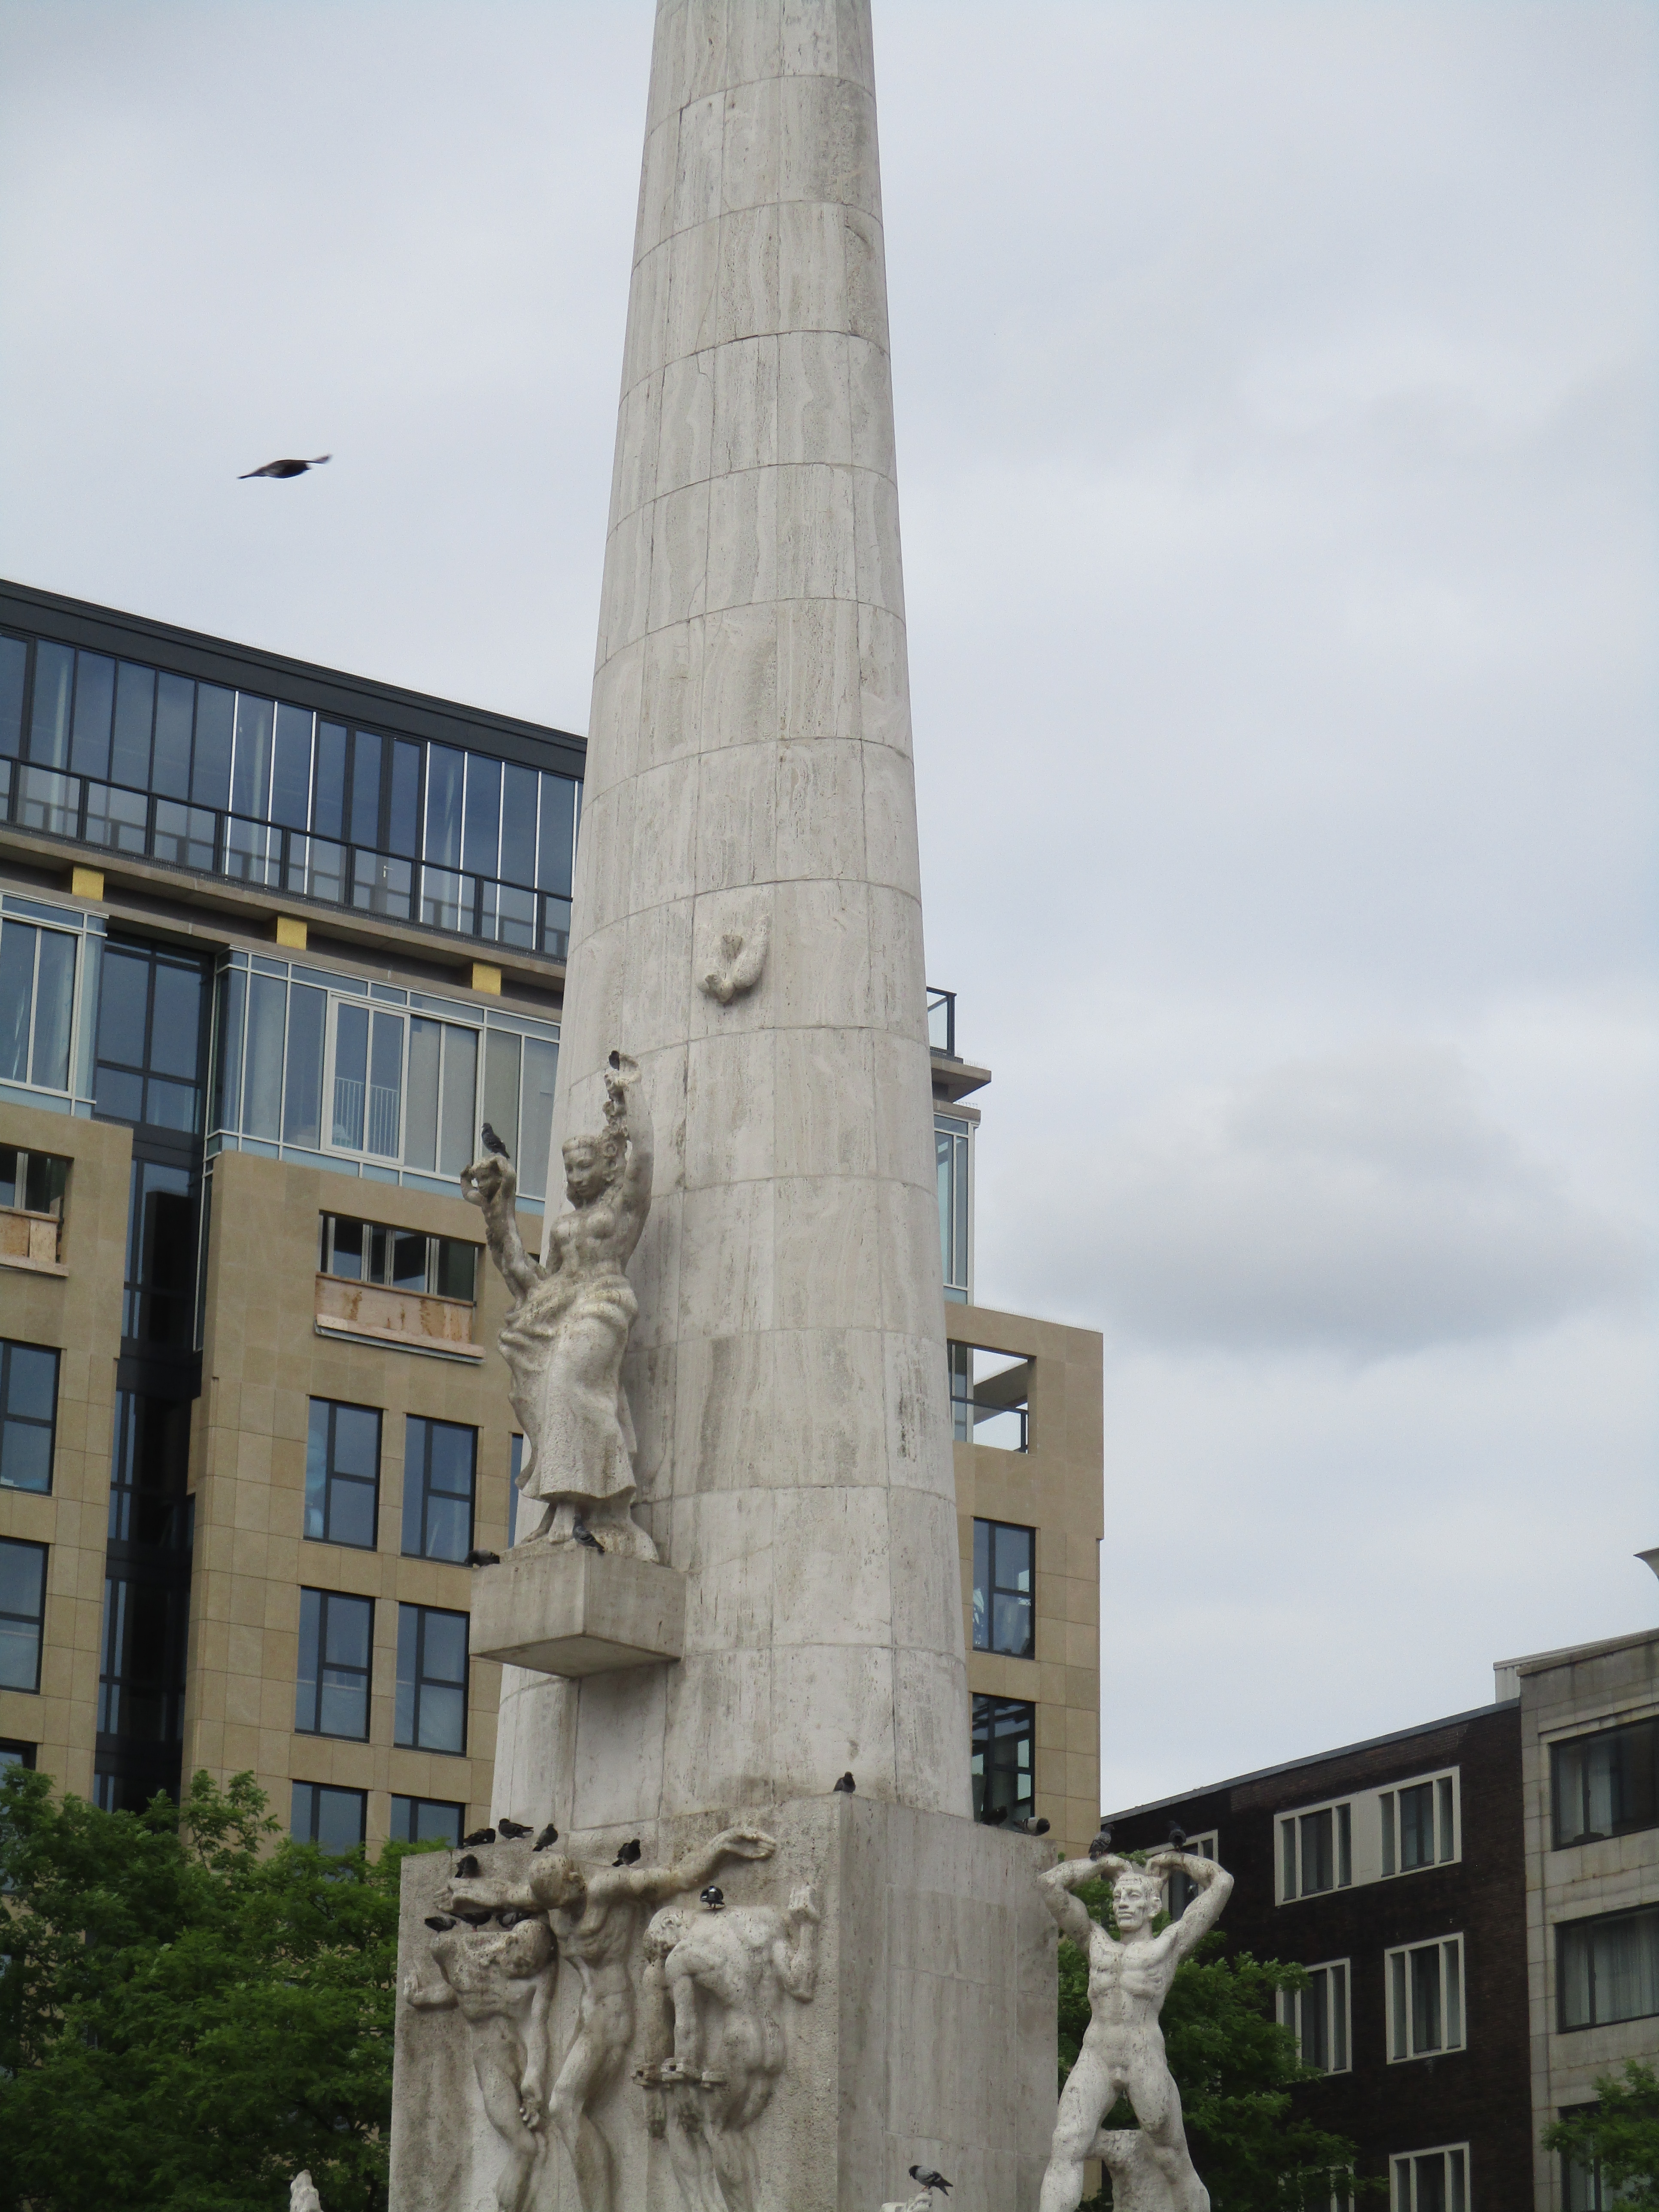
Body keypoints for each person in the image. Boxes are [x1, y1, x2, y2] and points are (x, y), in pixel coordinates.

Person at [446, 1826, 777, 2212]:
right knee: (564, 2109)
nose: (561, 1911)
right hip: (585, 2016)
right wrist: (464, 1891)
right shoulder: (550, 1896)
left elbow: (677, 1876)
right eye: (553, 1905)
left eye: (565, 1900)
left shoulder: (606, 1889)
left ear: (575, 1881)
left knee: (564, 2105)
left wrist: (721, 1845)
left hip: (612, 2014)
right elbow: (505, 1894)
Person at [462, 1050, 656, 1559]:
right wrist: (499, 1208)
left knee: (568, 1380)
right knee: (544, 1392)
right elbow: (530, 1279)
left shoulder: (622, 1210)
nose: (575, 1175)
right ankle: (563, 1512)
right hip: (563, 1309)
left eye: (584, 1165)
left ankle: (581, 1508)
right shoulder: (564, 1226)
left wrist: (630, 1094)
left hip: (603, 1304)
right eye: (569, 1168)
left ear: (606, 1166)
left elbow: (644, 1159)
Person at [1036, 1847, 1233, 2212]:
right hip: (1097, 2056)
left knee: (1171, 2156)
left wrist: (1177, 1860)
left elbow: (1222, 1883)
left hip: (1143, 2057)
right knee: (1066, 2142)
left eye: (1133, 1897)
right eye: (1117, 1898)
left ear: (1153, 1906)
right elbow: (1050, 1884)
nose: (1122, 1904)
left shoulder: (1169, 1944)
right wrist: (1100, 1864)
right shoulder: (1096, 1943)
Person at [635, 1885, 821, 2212]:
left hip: (739, 2040)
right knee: (732, 2129)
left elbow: (686, 2027)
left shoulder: (682, 1956)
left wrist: (682, 2082)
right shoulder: (766, 1921)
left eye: (662, 1951)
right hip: (773, 2043)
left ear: (670, 1926)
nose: (662, 1962)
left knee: (714, 2126)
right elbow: (800, 1984)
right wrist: (808, 1926)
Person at [401, 1911, 557, 2212]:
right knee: (525, 2147)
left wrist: (534, 2081)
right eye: (524, 1962)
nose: (525, 1971)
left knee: (531, 2146)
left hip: (518, 2055)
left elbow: (539, 2025)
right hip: (490, 2062)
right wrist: (422, 1998)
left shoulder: (540, 1974)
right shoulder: (461, 1956)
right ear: (509, 1944)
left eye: (532, 1967)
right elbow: (461, 1992)